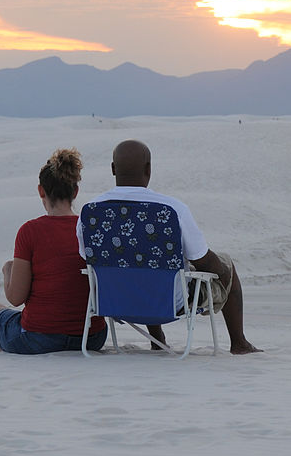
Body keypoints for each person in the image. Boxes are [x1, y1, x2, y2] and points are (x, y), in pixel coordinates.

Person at [81, 140, 259, 354]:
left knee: (136, 264)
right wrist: (223, 273)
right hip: (168, 302)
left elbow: (88, 259)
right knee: (224, 262)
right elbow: (202, 259)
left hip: (114, 302)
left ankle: (157, 339)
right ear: (148, 169)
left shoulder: (90, 212)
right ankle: (239, 343)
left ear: (112, 169)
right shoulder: (172, 209)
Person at [0, 148, 108, 354]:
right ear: (75, 192)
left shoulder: (31, 231)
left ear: (41, 191)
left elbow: (15, 297)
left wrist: (8, 270)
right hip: (92, 338)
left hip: (40, 338)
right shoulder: (91, 229)